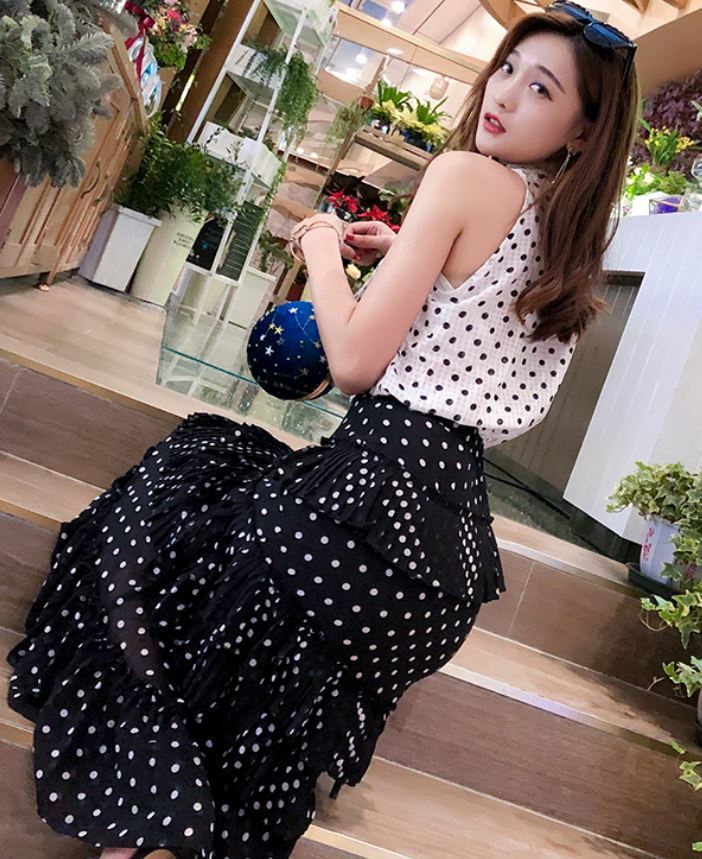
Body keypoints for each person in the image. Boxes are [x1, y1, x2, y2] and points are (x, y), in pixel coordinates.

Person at [6, 3, 639, 858]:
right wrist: (406, 249)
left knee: (185, 482)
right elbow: (473, 323)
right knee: (251, 582)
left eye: (542, 89)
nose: (504, 94)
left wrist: (322, 250)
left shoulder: (462, 175)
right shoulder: (569, 242)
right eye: (507, 69)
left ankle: (148, 813)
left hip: (364, 517)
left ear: (583, 129)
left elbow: (354, 364)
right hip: (439, 570)